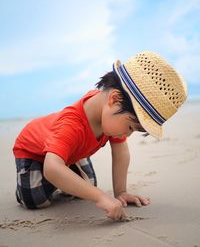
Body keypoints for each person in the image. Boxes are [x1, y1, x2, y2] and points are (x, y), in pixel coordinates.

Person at [13, 51, 187, 220]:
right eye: (130, 127)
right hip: (32, 151)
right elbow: (51, 168)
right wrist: (100, 197)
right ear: (114, 99)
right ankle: (52, 176)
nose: (128, 134)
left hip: (72, 151)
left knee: (89, 186)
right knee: (36, 200)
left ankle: (65, 171)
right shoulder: (72, 123)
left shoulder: (108, 112)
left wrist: (121, 192)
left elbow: (121, 152)